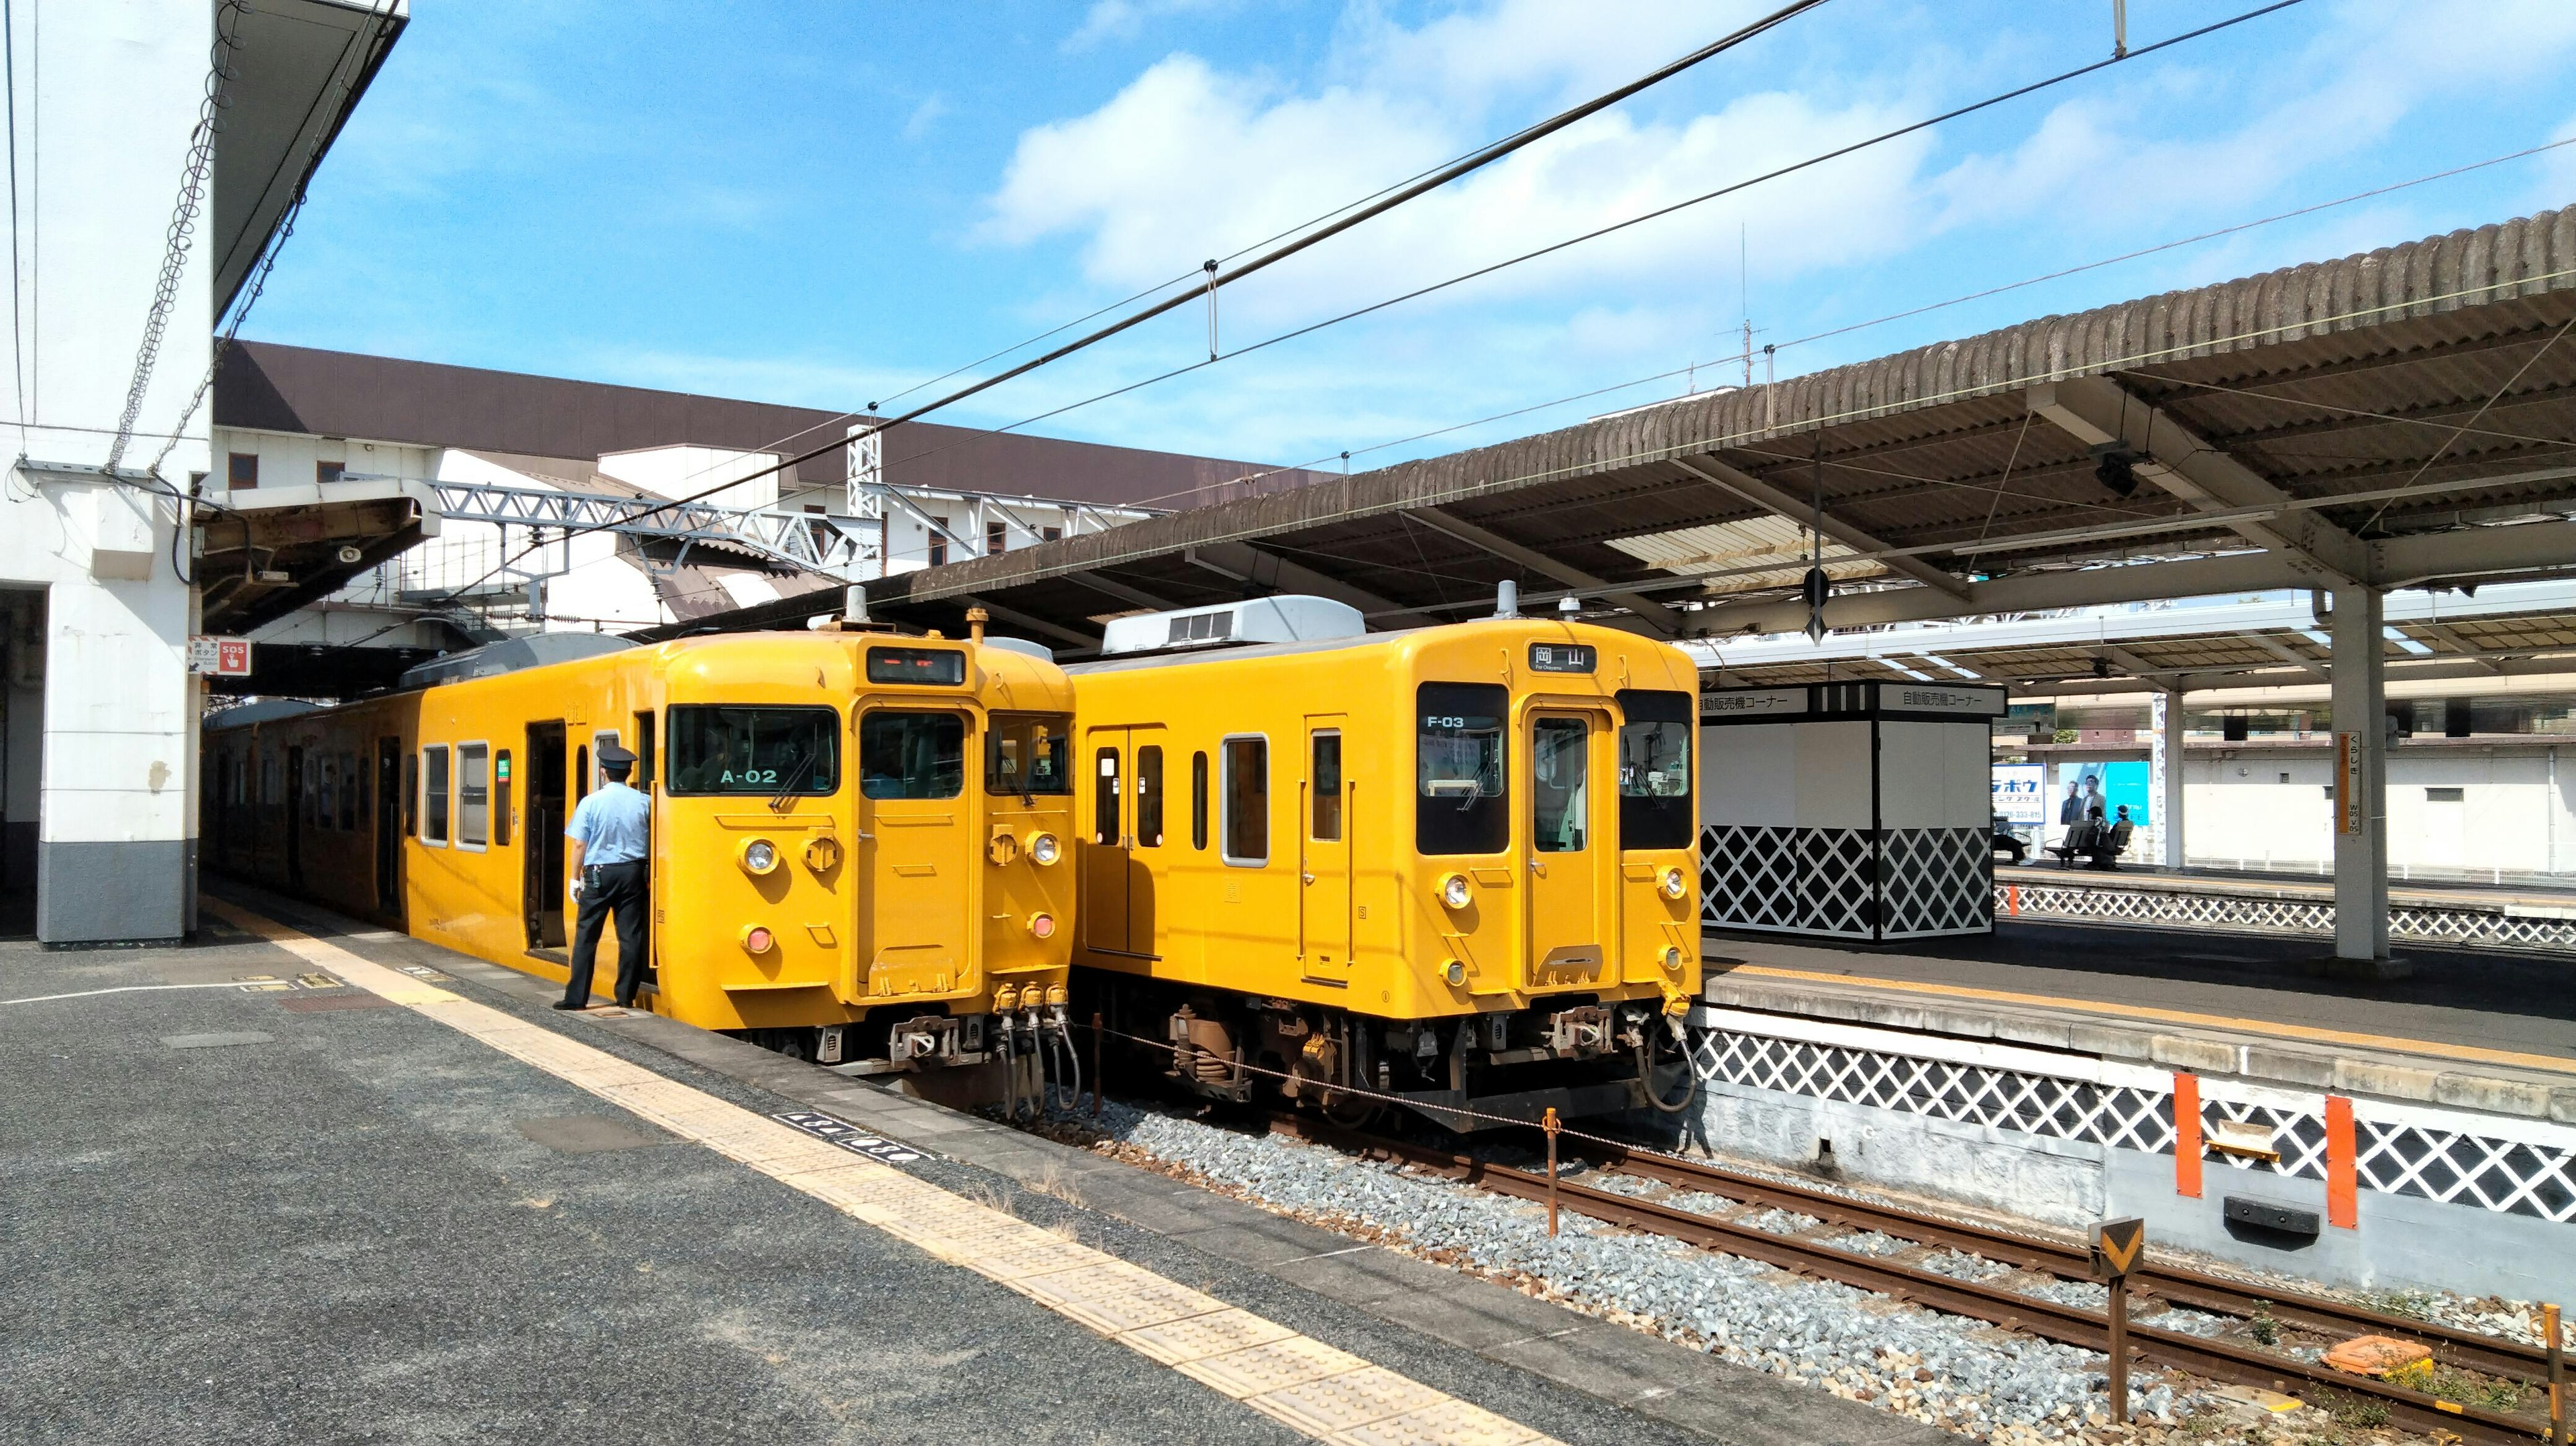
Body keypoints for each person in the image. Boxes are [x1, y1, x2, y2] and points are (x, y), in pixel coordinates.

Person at [557, 742, 652, 1011]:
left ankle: (576, 998)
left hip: (599, 875)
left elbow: (579, 844)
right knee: (631, 936)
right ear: (628, 773)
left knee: (587, 936)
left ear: (603, 772)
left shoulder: (591, 802)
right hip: (633, 873)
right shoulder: (644, 802)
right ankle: (625, 996)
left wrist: (574, 879)